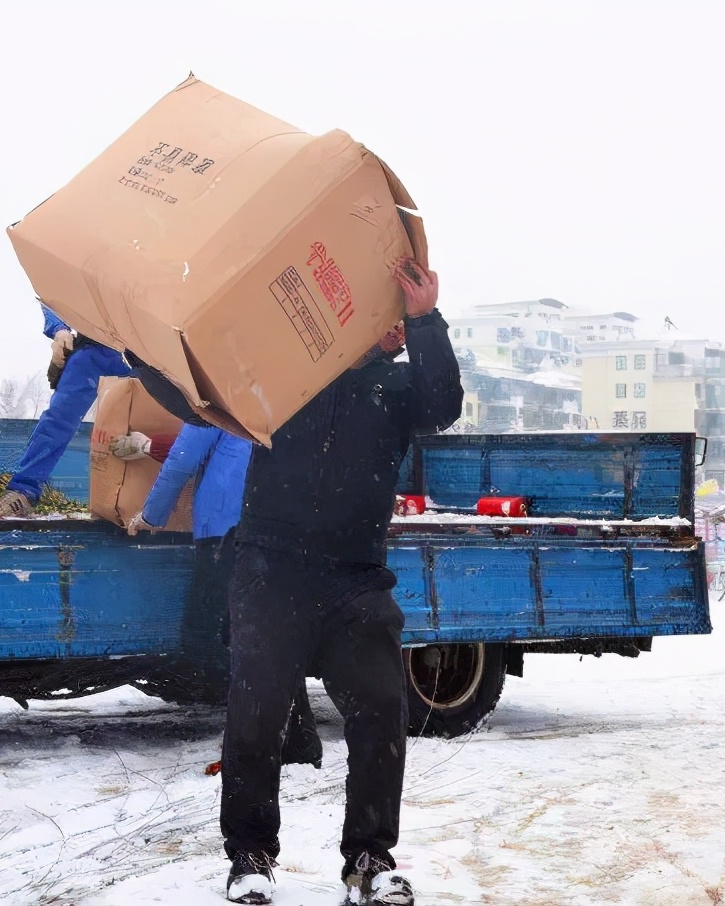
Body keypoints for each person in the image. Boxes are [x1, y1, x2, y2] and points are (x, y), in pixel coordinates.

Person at [221, 257, 462, 906]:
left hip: (354, 582)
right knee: (256, 710)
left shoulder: (395, 391)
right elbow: (199, 383)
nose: (384, 327)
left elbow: (445, 403)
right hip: (271, 570)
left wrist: (424, 321)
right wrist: (140, 346)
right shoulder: (287, 374)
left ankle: (369, 859)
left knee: (384, 706)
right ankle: (249, 856)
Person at [111, 424, 322, 768]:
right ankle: (299, 737)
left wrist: (152, 514)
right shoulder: (281, 393)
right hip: (278, 528)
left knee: (206, 637)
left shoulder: (218, 392)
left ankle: (262, 734)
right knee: (266, 636)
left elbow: (183, 458)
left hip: (225, 530)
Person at [0, 303, 130, 517]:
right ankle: (23, 490)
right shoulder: (90, 268)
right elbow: (54, 289)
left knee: (156, 421)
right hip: (94, 348)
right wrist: (60, 330)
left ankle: (148, 500)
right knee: (57, 419)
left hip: (144, 355)